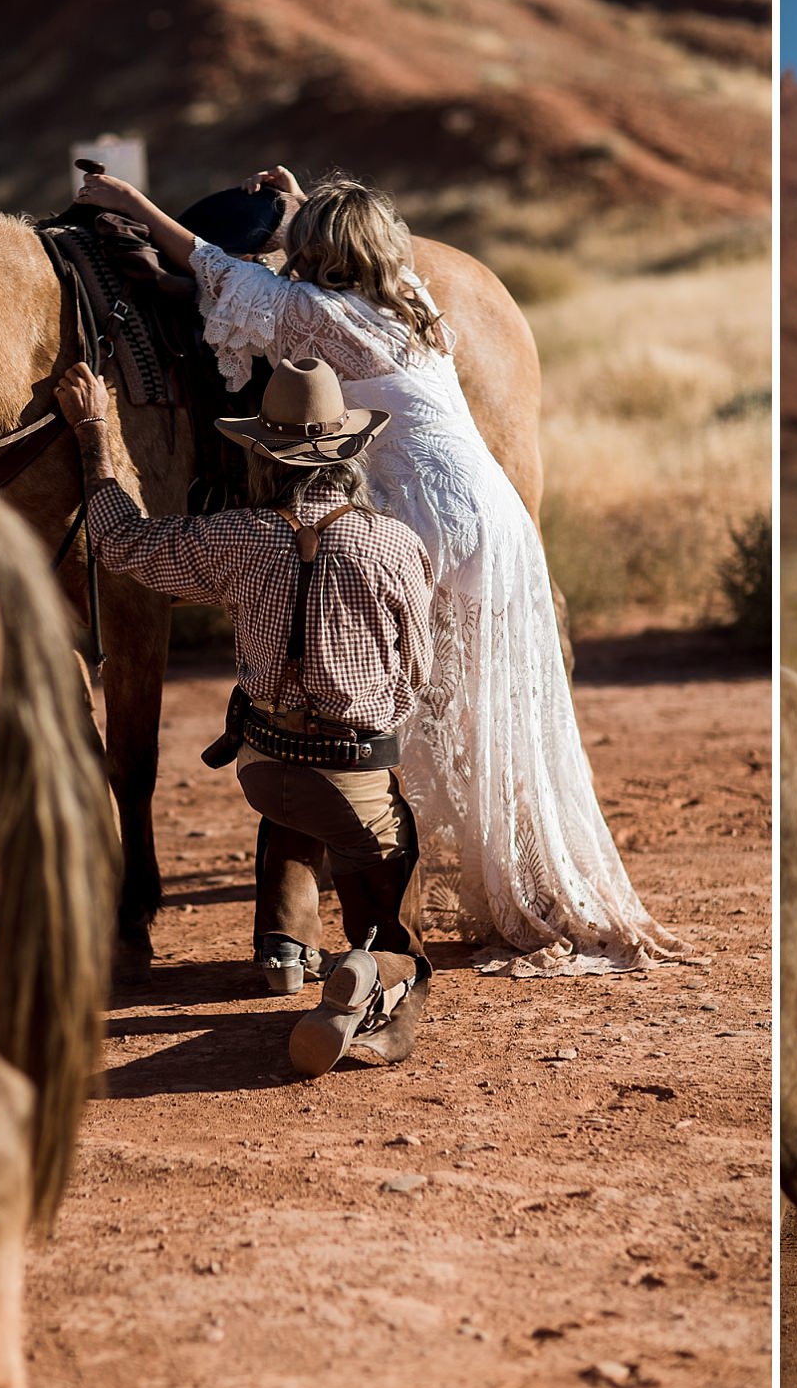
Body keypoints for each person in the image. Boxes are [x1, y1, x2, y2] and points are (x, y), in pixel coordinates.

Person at [73, 164, 682, 975]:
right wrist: (295, 206)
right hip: (490, 511)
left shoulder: (314, 314)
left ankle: (354, 902)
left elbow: (209, 263)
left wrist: (126, 203)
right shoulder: (410, 303)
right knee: (489, 703)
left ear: (322, 255)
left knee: (371, 698)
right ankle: (522, 881)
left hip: (423, 505)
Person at [57, 356, 435, 1076]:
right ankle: (379, 971)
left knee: (297, 794)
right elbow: (415, 671)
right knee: (385, 871)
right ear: (347, 451)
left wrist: (95, 436)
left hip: (262, 769)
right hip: (352, 776)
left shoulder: (233, 537)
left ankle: (286, 945)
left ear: (264, 458)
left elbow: (119, 542)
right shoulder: (393, 544)